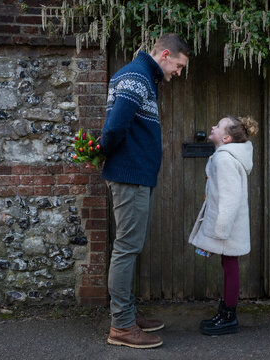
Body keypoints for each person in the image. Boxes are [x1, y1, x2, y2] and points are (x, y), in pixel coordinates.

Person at [99, 33, 190, 349]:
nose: (178, 73)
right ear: (165, 54)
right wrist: (102, 151)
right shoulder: (136, 77)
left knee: (130, 247)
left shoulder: (143, 78)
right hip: (130, 176)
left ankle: (127, 315)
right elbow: (113, 129)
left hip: (136, 176)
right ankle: (121, 327)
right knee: (126, 248)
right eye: (178, 66)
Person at [188, 115, 259, 336]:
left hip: (227, 226)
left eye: (217, 126)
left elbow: (229, 198)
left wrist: (220, 230)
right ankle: (226, 312)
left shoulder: (225, 160)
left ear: (226, 137)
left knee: (230, 267)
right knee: (229, 266)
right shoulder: (224, 157)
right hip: (229, 224)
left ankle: (229, 316)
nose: (212, 126)